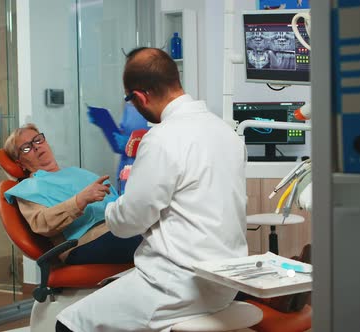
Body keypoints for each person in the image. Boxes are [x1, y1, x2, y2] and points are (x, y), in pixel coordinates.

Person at [56, 47, 249, 332]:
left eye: (132, 102)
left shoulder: (162, 138)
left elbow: (129, 222)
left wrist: (112, 208)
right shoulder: (226, 133)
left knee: (68, 324)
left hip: (177, 285)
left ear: (139, 97)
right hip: (225, 281)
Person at [2, 123, 142, 264]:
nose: (36, 146)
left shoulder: (76, 172)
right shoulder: (28, 188)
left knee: (157, 228)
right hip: (84, 242)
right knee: (147, 240)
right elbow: (41, 223)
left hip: (116, 227)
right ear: (20, 163)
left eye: (38, 140)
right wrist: (80, 200)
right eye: (26, 148)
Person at [88, 101, 150, 193]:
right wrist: (104, 124)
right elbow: (119, 145)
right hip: (126, 170)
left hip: (146, 173)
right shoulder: (130, 105)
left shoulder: (157, 107)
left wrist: (134, 142)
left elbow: (163, 142)